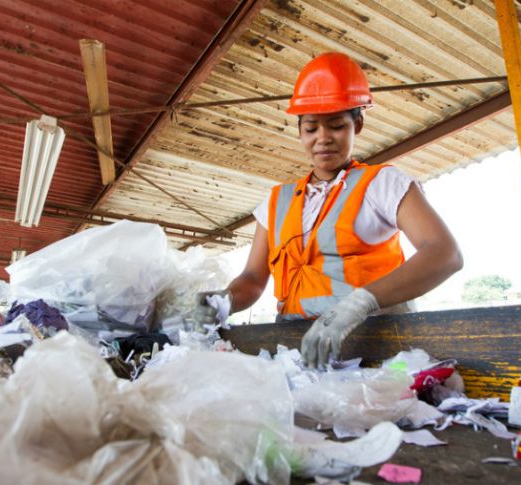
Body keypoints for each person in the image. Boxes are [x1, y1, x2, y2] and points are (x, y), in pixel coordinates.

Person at [195, 52, 463, 369]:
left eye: (336, 126)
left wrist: (359, 304)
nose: (323, 139)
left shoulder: (381, 184)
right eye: (310, 129)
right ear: (299, 131)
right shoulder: (275, 201)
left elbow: (445, 254)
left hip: (376, 348)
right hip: (299, 350)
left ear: (357, 124)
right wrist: (223, 301)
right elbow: (254, 279)